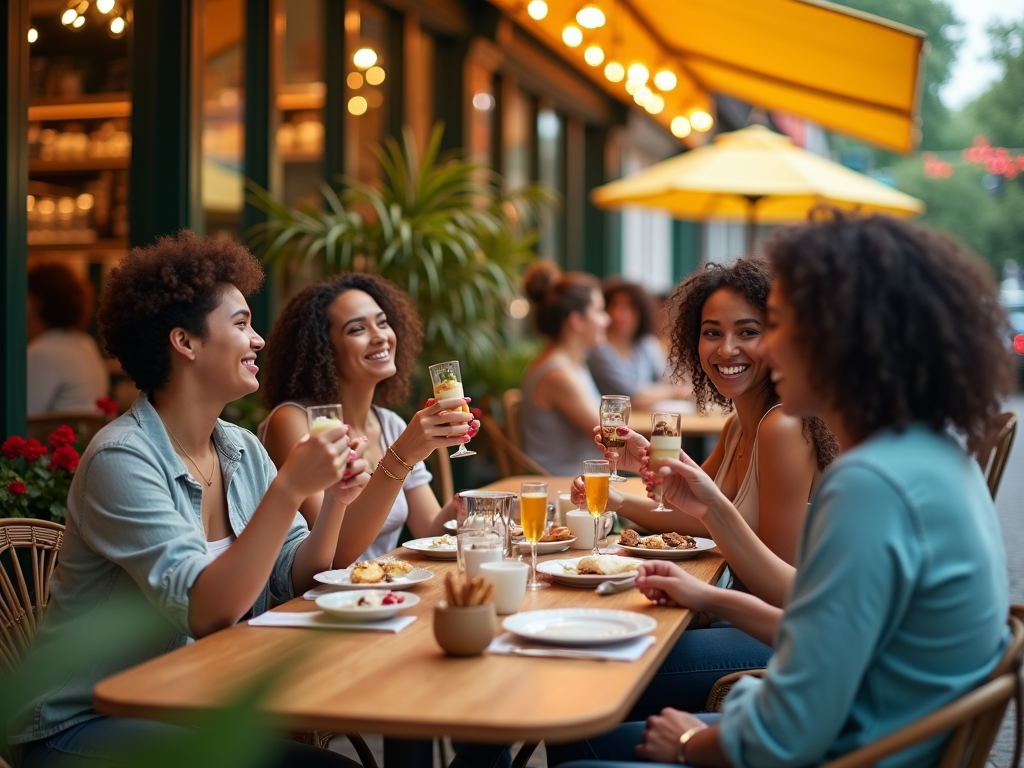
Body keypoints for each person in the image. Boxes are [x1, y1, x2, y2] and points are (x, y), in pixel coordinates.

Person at [549, 210, 1012, 768]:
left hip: (856, 750)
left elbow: (790, 731)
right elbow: (824, 631)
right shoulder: (924, 454)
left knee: (582, 734)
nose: (765, 349)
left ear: (847, 338)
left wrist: (694, 743)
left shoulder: (872, 484)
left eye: (781, 326)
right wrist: (709, 588)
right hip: (877, 734)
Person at [8, 232, 369, 768]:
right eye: (242, 323)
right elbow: (208, 611)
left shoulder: (241, 448)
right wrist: (290, 487)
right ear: (186, 342)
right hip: (82, 722)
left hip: (187, 707)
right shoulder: (122, 459)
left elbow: (298, 575)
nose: (260, 341)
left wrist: (336, 497)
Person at [569, 257, 837, 718]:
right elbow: (691, 510)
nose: (726, 348)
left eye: (747, 332)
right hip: (753, 620)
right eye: (712, 332)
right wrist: (615, 496)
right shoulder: (740, 422)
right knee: (598, 645)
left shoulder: (782, 427)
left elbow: (772, 580)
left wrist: (705, 598)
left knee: (600, 669)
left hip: (786, 643)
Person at [259, 273, 478, 563]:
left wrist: (459, 509)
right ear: (321, 348)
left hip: (384, 595)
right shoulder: (292, 422)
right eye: (357, 329)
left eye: (383, 323)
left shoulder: (390, 424)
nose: (380, 336)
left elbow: (429, 529)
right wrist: (401, 455)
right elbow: (333, 555)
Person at [520, 261, 610, 476]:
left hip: (584, 481)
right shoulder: (557, 375)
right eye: (599, 310)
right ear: (576, 321)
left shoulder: (572, 364)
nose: (607, 319)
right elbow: (609, 437)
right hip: (566, 488)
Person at [587, 277, 689, 407]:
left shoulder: (646, 344)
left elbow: (669, 380)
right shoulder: (599, 350)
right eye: (614, 305)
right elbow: (632, 397)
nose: (620, 314)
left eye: (629, 307)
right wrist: (674, 391)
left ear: (641, 311)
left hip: (646, 420)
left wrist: (668, 390)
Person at [26, 262, 109, 416]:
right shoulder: (85, 342)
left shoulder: (42, 351)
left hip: (53, 439)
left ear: (36, 303)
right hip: (86, 439)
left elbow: (21, 418)